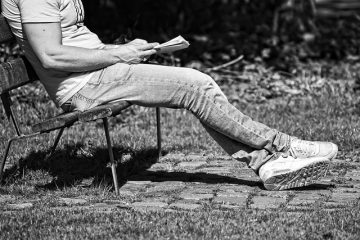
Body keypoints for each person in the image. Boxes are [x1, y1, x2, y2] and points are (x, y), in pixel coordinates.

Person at [1, 0, 338, 191]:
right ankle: (281, 147)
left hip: (100, 72)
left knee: (196, 87)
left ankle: (267, 164)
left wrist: (126, 49)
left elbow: (77, 41)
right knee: (196, 85)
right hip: (86, 85)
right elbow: (51, 57)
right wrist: (120, 55)